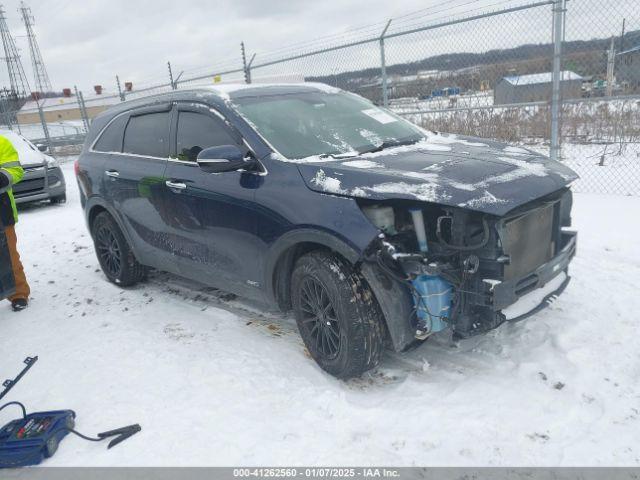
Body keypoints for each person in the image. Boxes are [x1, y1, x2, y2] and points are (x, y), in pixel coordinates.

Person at [0, 134, 30, 311]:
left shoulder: (1, 142)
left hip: (1, 211)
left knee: (9, 255)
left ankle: (18, 293)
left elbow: (15, 170)